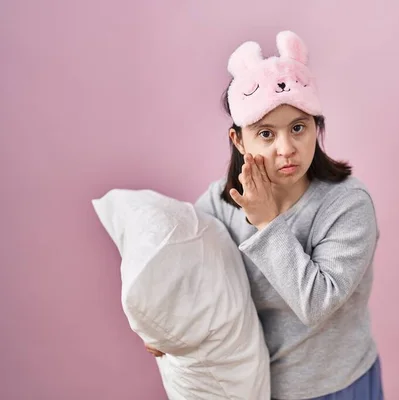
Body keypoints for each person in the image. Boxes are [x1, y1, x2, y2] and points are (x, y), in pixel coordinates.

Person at [147, 30, 384, 400]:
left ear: (316, 128)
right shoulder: (220, 203)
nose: (286, 149)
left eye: (298, 128)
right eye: (266, 134)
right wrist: (163, 324)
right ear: (240, 140)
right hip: (253, 386)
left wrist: (266, 222)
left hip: (337, 383)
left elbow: (317, 304)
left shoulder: (347, 204)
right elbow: (188, 272)